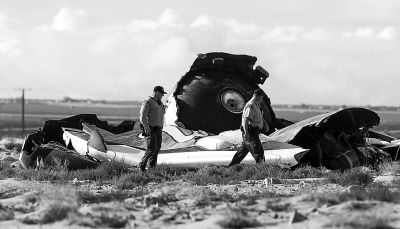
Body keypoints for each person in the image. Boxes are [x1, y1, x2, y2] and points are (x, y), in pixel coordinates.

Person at [228, 88, 269, 166]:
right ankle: (262, 169)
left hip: (252, 131)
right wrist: (247, 133)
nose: (262, 100)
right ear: (258, 96)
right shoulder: (251, 105)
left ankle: (231, 167)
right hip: (251, 132)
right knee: (258, 152)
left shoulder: (256, 105)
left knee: (242, 152)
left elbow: (258, 116)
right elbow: (247, 119)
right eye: (261, 98)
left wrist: (265, 124)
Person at [138, 86, 167, 172]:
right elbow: (143, 116)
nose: (162, 95)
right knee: (151, 148)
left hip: (158, 129)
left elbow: (162, 114)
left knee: (157, 148)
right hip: (150, 128)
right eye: (161, 93)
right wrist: (146, 127)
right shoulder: (148, 101)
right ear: (156, 92)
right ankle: (141, 165)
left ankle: (152, 168)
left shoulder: (160, 103)